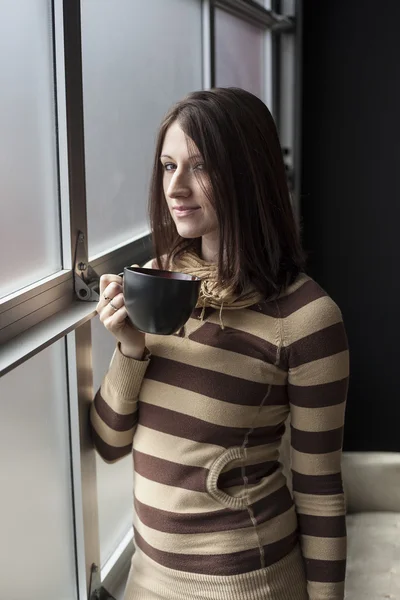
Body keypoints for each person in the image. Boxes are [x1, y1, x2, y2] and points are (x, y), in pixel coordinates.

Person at [91, 87, 349, 600]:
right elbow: (109, 443)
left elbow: (320, 494)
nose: (176, 187)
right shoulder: (158, 284)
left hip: (248, 585)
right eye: (168, 166)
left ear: (247, 173)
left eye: (200, 166)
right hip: (148, 580)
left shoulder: (306, 317)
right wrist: (130, 348)